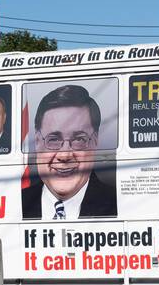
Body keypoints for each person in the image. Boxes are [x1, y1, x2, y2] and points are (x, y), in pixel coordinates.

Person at [21, 84, 117, 220]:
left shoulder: (120, 203)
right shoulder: (15, 204)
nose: (64, 155)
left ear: (95, 141)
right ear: (37, 142)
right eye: (53, 139)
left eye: (78, 139)